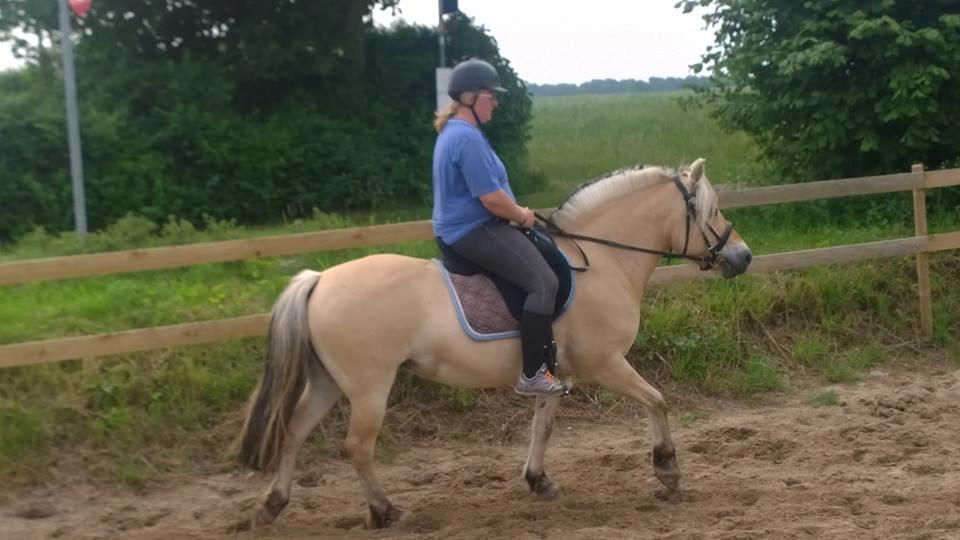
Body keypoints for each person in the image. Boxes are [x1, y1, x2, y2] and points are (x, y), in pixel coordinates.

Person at [431, 58, 564, 397]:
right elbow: (491, 199)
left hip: (459, 229)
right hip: (475, 229)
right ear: (471, 97)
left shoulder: (456, 132)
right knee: (544, 282)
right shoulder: (467, 139)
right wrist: (521, 215)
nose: (497, 103)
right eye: (492, 96)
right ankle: (533, 372)